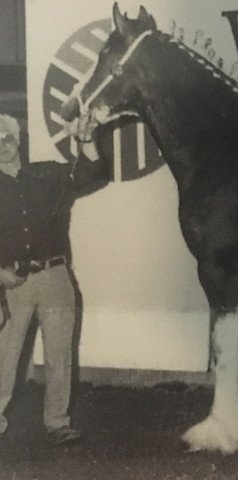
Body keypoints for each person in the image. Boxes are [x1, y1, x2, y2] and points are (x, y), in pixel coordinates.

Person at [0, 112, 106, 445]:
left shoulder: (46, 174)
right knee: (5, 355)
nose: (2, 145)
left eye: (6, 137)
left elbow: (92, 174)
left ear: (18, 139)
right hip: (11, 285)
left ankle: (58, 422)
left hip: (57, 278)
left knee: (60, 352)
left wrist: (86, 139)